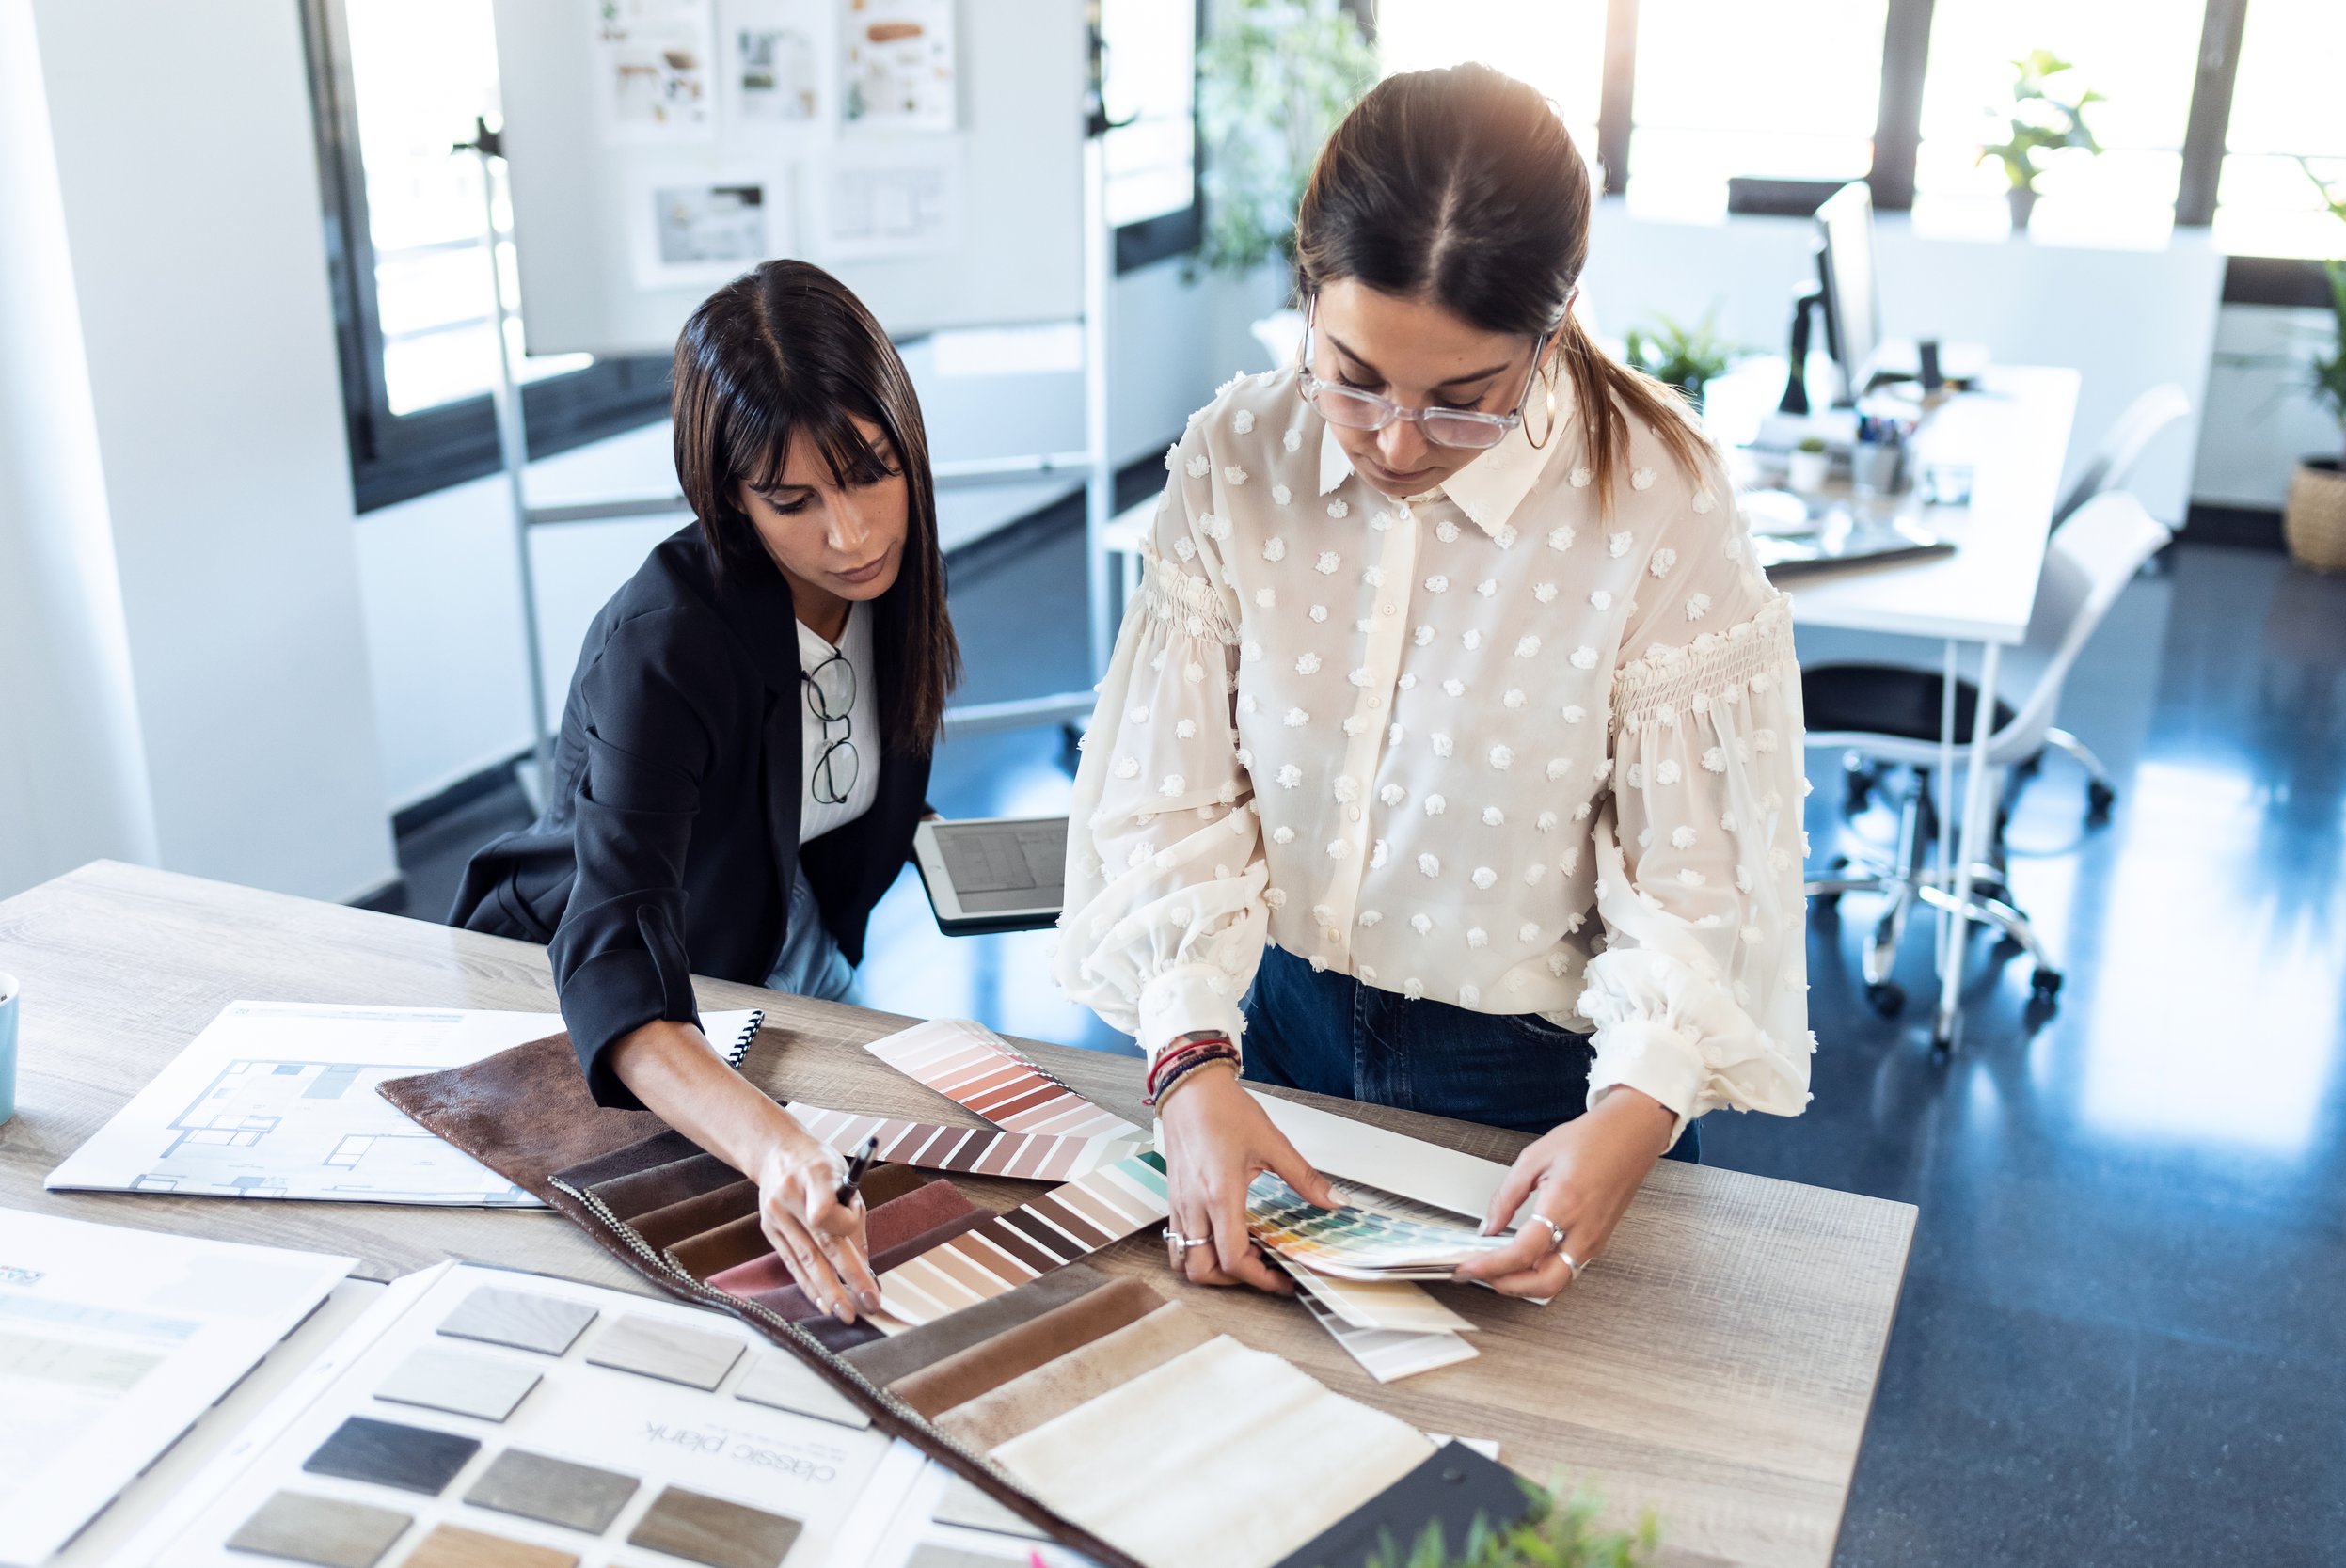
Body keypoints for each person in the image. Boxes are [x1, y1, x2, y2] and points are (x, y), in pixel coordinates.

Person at [1054, 65, 1814, 1305]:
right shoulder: (1239, 457)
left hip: (1535, 1074)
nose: (1398, 444)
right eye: (1352, 376)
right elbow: (1175, 791)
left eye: (1464, 402)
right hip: (1271, 1022)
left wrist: (1635, 1110)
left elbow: (1699, 871)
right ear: (1306, 295)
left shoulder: (1659, 499)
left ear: (1552, 329)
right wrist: (1191, 1061)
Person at [452, 260, 959, 1324]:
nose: (852, 533)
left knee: (875, 1224)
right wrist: (772, 1144)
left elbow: (823, 774)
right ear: (725, 498)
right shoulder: (665, 643)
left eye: (870, 473)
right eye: (793, 501)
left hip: (785, 943)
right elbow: (615, 958)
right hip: (626, 973)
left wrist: (939, 840)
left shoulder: (890, 581)